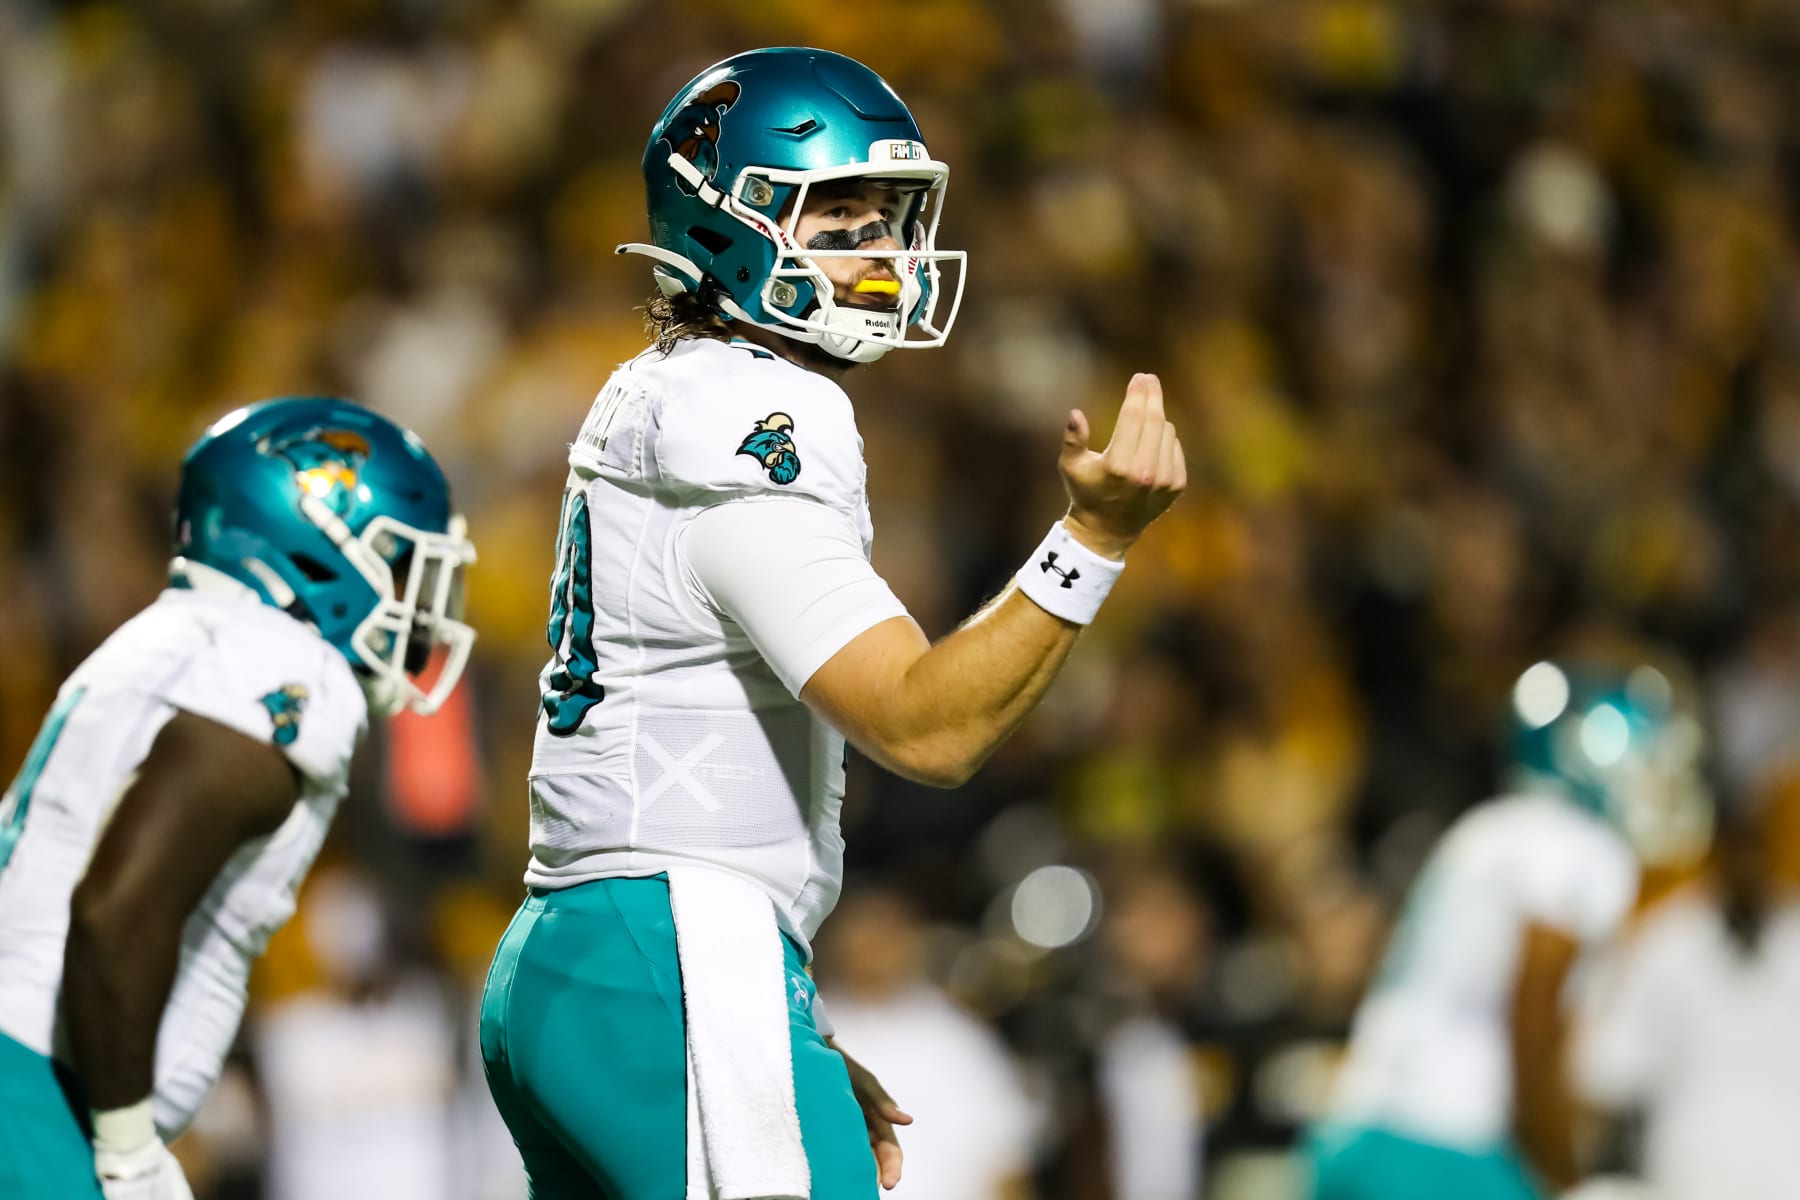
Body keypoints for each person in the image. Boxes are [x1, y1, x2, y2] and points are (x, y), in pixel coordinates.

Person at [478, 46, 1185, 1200]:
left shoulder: (676, 388)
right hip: (667, 944)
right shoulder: (755, 405)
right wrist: (1092, 542)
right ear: (730, 221)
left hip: (605, 953)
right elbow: (924, 727)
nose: (884, 251)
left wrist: (768, 1011)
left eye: (890, 216)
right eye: (838, 214)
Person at [0, 397, 477, 1199]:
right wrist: (128, 1153)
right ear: (320, 547)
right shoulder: (286, 666)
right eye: (398, 562)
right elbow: (116, 908)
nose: (418, 606)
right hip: (29, 1096)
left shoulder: (185, 636)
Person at [1305, 658, 1710, 1200]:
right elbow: (1534, 1010)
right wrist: (1560, 1174)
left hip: (1357, 1135)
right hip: (1445, 1149)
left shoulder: (1489, 830)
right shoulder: (1578, 846)